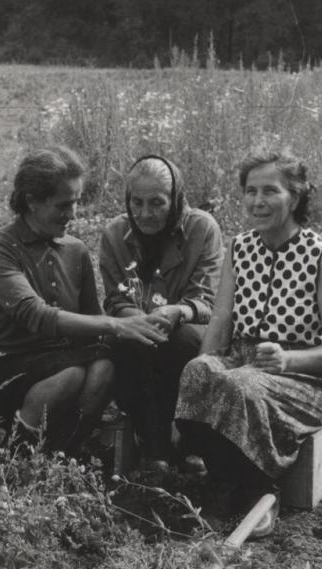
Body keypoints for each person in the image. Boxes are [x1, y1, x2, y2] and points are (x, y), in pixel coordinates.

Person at [175, 151, 322, 537]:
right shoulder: (240, 248)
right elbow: (221, 321)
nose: (258, 201)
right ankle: (224, 483)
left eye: (270, 191)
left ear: (295, 196)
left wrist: (287, 359)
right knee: (196, 372)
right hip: (244, 361)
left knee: (242, 385)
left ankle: (260, 493)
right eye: (250, 191)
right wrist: (200, 381)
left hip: (304, 376)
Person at [0, 145, 168, 455]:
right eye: (63, 205)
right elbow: (34, 314)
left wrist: (139, 328)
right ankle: (17, 454)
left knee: (104, 367)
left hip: (61, 358)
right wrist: (117, 325)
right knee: (70, 376)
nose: (73, 214)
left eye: (77, 203)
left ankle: (64, 451)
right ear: (32, 201)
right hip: (6, 362)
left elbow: (90, 317)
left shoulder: (75, 250)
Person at [98, 155, 223, 470]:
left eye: (156, 203)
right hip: (139, 325)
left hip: (187, 325)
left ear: (176, 199)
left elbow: (207, 299)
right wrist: (136, 319)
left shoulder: (201, 228)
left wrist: (178, 311)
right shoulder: (115, 234)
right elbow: (114, 299)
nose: (144, 213)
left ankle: (187, 438)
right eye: (136, 202)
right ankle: (153, 446)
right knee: (124, 343)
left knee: (180, 344)